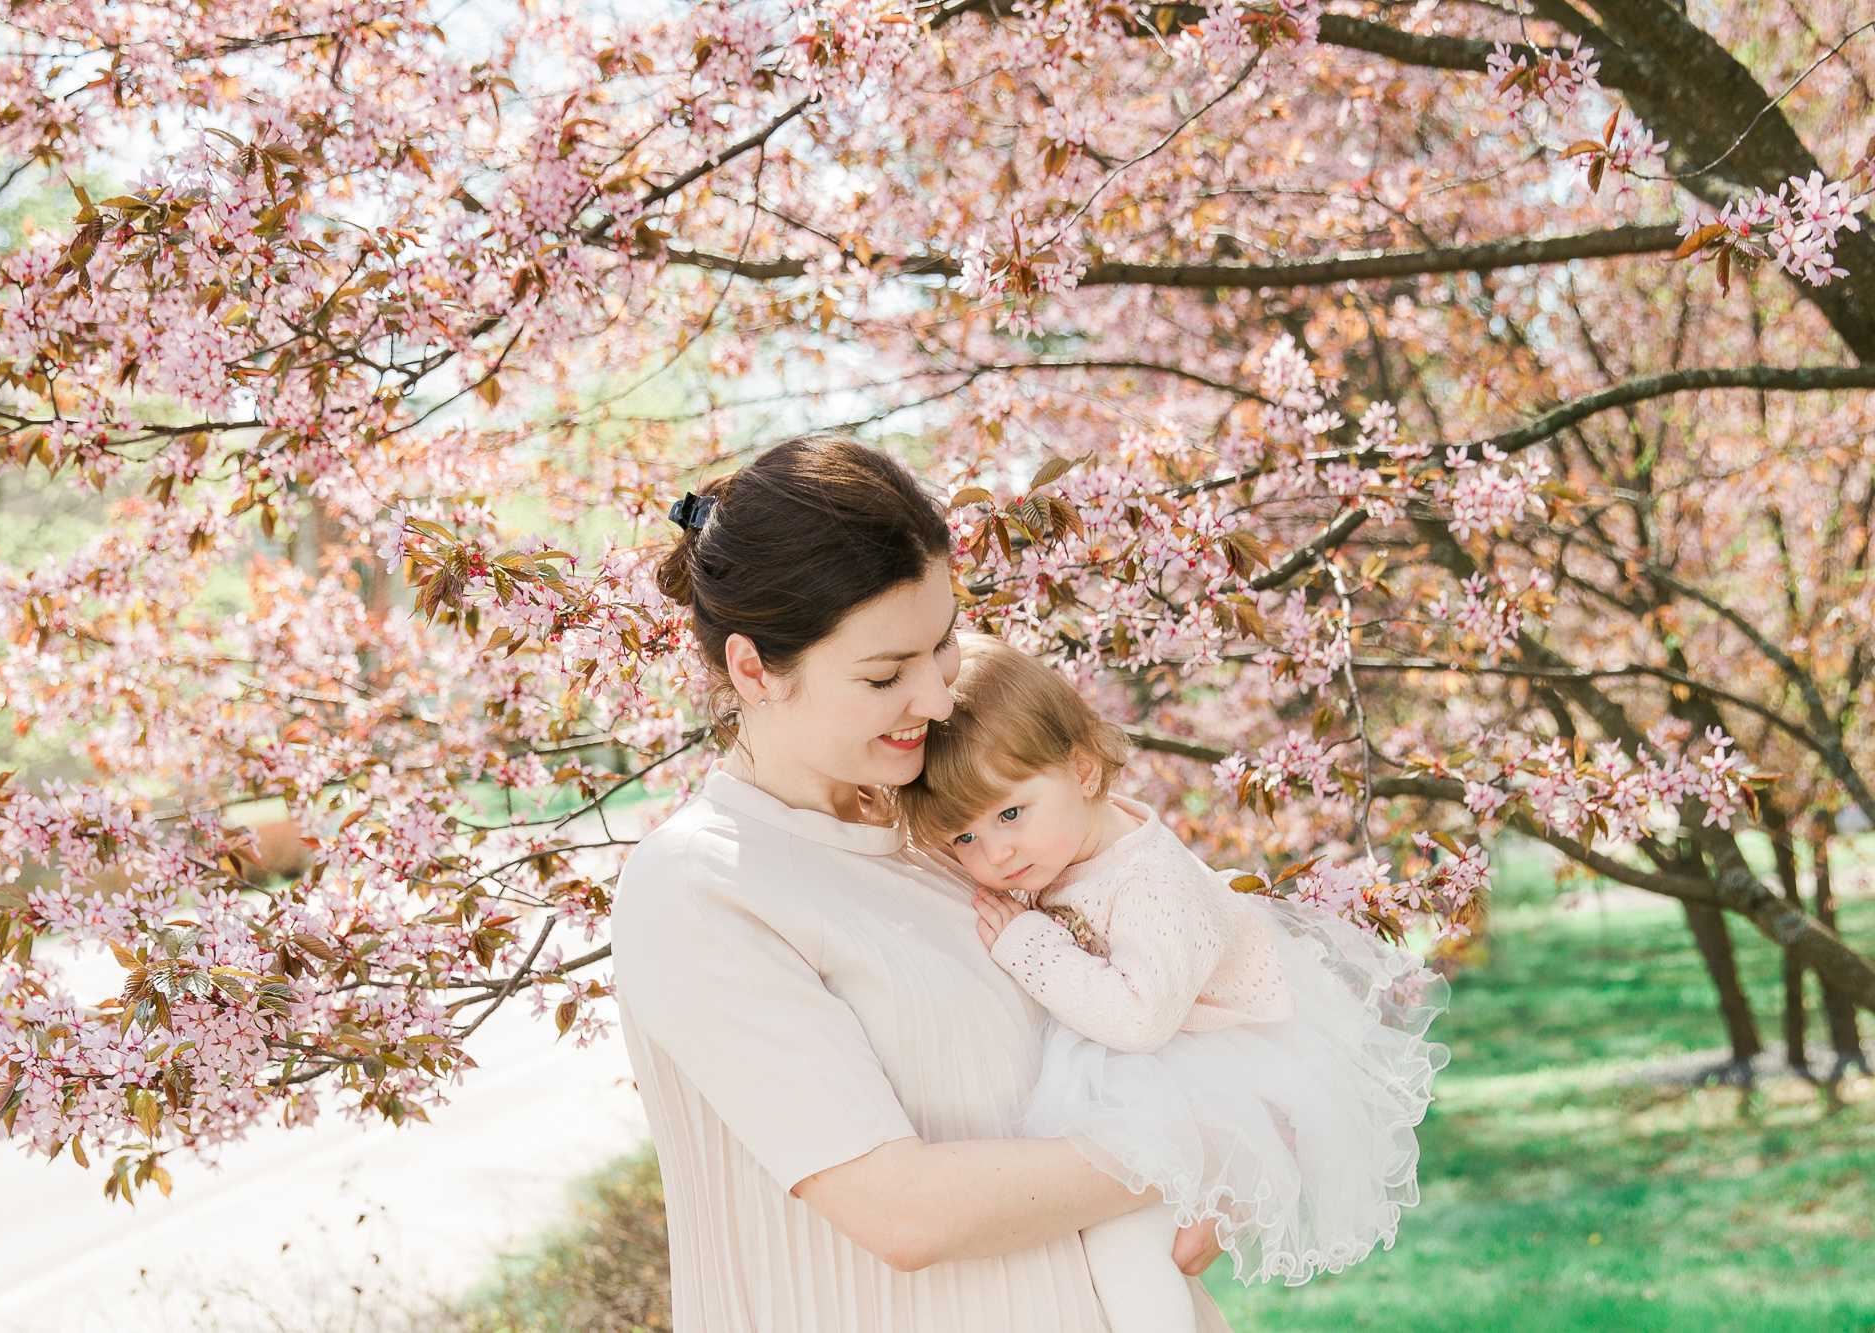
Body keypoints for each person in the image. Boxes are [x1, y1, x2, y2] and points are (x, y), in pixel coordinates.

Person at [610, 435, 1231, 1332]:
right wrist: (1193, 1147)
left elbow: (1159, 979)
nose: (939, 700)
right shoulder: (703, 887)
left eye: (940, 645)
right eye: (883, 673)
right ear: (752, 669)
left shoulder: (954, 828)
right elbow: (903, 1212)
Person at [901, 636, 1449, 1331]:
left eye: (1010, 814)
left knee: (1124, 1245)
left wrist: (1029, 944)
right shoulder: (1058, 845)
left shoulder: (1152, 884)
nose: (995, 852)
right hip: (1143, 1073)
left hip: (1193, 1074)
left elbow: (1139, 1019)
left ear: (1084, 769)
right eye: (964, 839)